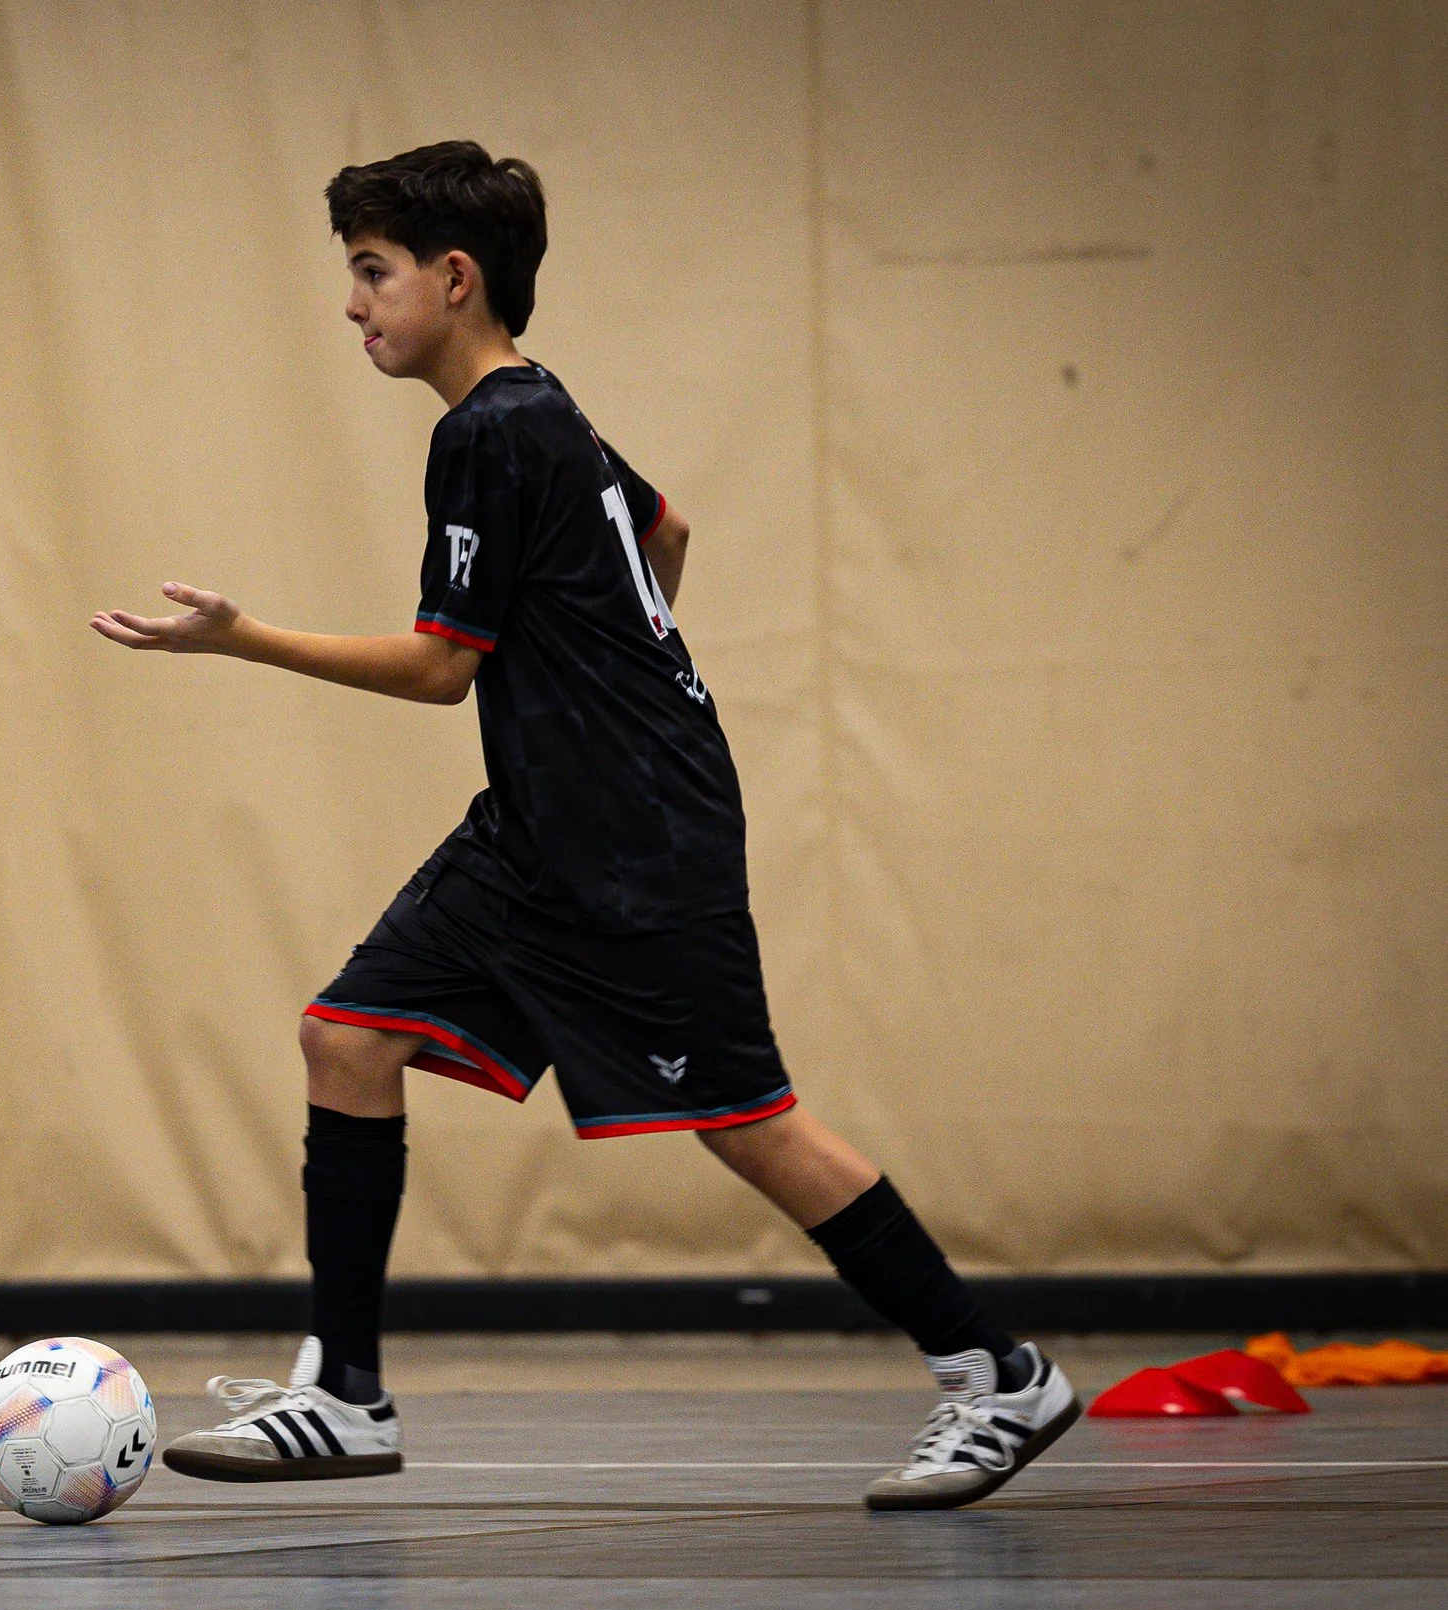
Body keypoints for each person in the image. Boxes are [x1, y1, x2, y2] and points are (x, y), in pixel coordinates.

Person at [91, 141, 1079, 1511]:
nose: (353, 302)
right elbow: (665, 533)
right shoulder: (545, 411)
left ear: (454, 276)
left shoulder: (488, 432)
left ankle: (998, 1373)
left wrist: (241, 635)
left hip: (637, 838)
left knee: (750, 1123)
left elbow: (443, 668)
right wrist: (620, 662)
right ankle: (346, 1393)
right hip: (537, 830)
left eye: (372, 271)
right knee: (347, 1036)